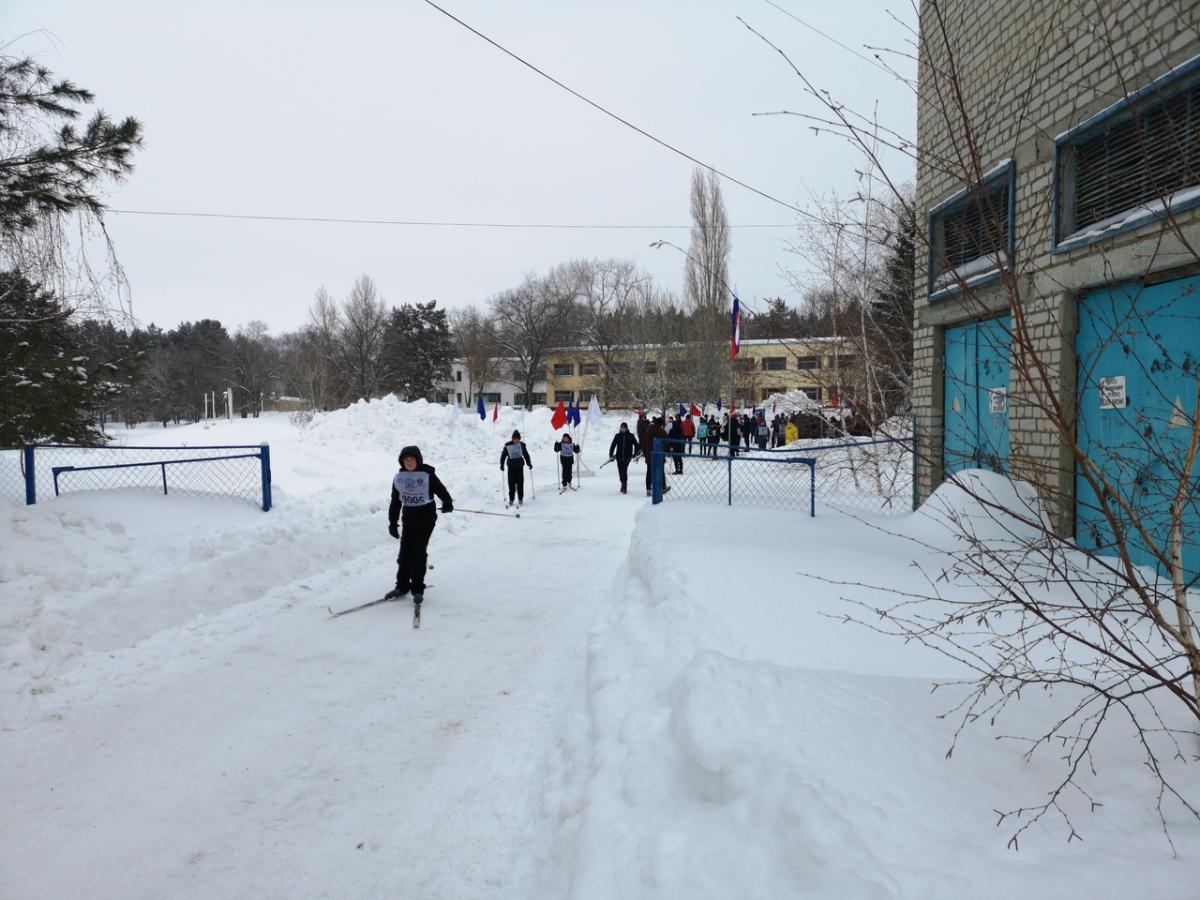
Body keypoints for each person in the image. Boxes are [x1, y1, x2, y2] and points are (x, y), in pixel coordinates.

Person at [386, 445, 452, 605]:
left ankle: (417, 589)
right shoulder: (399, 478)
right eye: (405, 460)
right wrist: (393, 524)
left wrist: (448, 502)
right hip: (409, 519)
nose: (409, 462)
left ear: (418, 460)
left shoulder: (427, 475)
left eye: (412, 459)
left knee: (418, 553)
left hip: (426, 519)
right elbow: (395, 503)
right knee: (404, 555)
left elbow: (440, 489)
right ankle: (401, 587)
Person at [499, 429, 532, 508]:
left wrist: (529, 463)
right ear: (512, 439)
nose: (516, 441)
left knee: (520, 484)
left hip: (519, 466)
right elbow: (503, 456)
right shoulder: (508, 445)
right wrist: (502, 465)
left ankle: (520, 498)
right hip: (511, 467)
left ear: (519, 439)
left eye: (518, 439)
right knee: (511, 484)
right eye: (515, 439)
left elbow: (526, 454)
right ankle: (511, 499)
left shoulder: (522, 445)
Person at [607, 421, 640, 494]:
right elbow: (613, 445)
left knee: (624, 471)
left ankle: (624, 486)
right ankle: (622, 483)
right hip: (619, 456)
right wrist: (611, 455)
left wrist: (634, 454)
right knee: (620, 471)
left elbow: (637, 445)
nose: (623, 429)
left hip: (627, 457)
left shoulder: (631, 436)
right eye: (621, 428)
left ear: (627, 428)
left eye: (624, 428)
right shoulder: (617, 436)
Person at [643, 416, 670, 497]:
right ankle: (662, 487)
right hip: (659, 455)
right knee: (661, 471)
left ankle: (648, 489)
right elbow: (666, 443)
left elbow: (644, 444)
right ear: (661, 424)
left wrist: (645, 454)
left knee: (649, 472)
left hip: (649, 455)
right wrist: (666, 451)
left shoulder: (648, 431)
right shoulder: (662, 432)